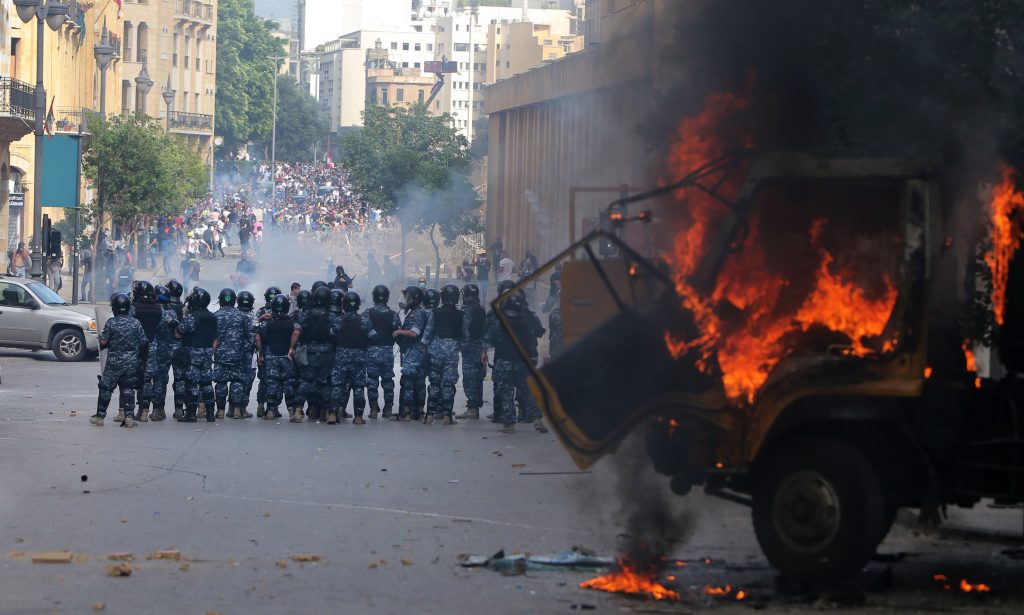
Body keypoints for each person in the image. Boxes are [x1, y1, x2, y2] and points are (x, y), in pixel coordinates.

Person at [483, 291, 547, 434]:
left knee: (506, 393)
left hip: (504, 362)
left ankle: (509, 425)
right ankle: (537, 420)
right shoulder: (526, 321)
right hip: (522, 363)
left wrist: (484, 352)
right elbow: (532, 343)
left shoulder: (500, 322)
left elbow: (489, 339)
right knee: (527, 393)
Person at [90, 293, 147, 428]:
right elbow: (144, 342)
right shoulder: (135, 323)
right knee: (128, 389)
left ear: (115, 308)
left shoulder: (111, 323)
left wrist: (101, 336)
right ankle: (129, 418)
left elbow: (103, 341)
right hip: (131, 362)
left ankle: (100, 417)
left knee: (106, 388)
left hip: (114, 362)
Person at [329, 290, 375, 425]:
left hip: (341, 357)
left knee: (337, 386)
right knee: (359, 387)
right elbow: (373, 337)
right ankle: (359, 417)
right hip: (359, 358)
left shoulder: (338, 320)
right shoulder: (364, 321)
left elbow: (331, 335)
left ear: (344, 305)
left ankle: (332, 414)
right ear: (358, 305)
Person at [288, 286, 334, 423]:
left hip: (310, 352)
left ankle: (298, 409)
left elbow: (296, 332)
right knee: (325, 382)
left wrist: (292, 348)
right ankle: (326, 411)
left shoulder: (305, 314)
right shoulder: (331, 315)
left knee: (306, 381)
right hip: (327, 353)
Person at [421, 284, 465, 425]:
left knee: (434, 383)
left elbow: (428, 331)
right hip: (452, 353)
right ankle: (447, 417)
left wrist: (424, 346)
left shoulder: (436, 312)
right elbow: (465, 335)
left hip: (436, 352)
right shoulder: (461, 314)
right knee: (448, 385)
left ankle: (429, 416)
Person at [175, 287, 218, 422]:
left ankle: (191, 414)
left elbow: (178, 334)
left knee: (192, 383)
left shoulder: (192, 317)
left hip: (194, 352)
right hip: (207, 352)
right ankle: (210, 413)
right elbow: (216, 338)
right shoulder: (213, 317)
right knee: (207, 383)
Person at [212, 288, 254, 419]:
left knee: (221, 382)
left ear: (220, 300)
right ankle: (236, 410)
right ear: (235, 300)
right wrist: (242, 348)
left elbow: (211, 337)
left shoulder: (215, 316)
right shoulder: (243, 316)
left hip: (220, 356)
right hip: (238, 356)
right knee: (237, 381)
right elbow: (251, 338)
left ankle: (220, 411)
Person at [364, 285, 401, 419]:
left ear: (373, 297)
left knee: (372, 381)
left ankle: (373, 409)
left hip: (372, 352)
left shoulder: (367, 313)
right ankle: (388, 409)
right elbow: (398, 334)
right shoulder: (393, 315)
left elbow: (362, 331)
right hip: (387, 353)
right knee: (387, 381)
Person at [256, 294, 295, 420]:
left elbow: (258, 336)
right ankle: (292, 411)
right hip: (287, 358)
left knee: (272, 383)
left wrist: (260, 320)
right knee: (289, 384)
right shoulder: (292, 323)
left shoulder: (267, 324)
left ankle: (271, 410)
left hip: (272, 356)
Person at [393, 286, 428, 422]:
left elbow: (415, 332)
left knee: (408, 382)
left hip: (414, 351)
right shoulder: (413, 311)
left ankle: (406, 412)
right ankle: (417, 412)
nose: (406, 300)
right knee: (418, 382)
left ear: (415, 299)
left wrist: (399, 332)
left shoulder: (417, 313)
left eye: (408, 297)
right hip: (415, 351)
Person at [132, 282, 164, 422]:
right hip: (153, 347)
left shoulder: (134, 309)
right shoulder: (159, 309)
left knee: (138, 379)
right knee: (148, 380)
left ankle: (139, 410)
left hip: (138, 347)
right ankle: (145, 410)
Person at [456, 283, 487, 420]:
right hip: (480, 345)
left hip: (470, 347)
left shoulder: (467, 309)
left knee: (470, 378)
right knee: (478, 377)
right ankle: (475, 407)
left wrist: (462, 345)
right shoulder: (481, 309)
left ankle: (472, 409)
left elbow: (465, 328)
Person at [254, 286, 283, 417]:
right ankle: (273, 407)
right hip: (277, 351)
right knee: (276, 380)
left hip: (264, 350)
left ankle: (261, 405)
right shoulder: (283, 314)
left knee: (264, 379)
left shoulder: (260, 312)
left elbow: (254, 329)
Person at [166, 279, 188, 418]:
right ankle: (179, 408)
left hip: (164, 347)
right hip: (180, 347)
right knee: (180, 379)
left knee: (160, 378)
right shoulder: (185, 308)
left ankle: (158, 409)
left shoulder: (165, 308)